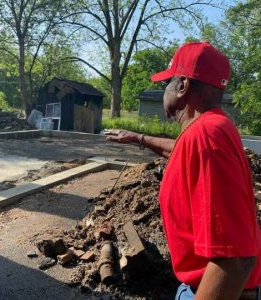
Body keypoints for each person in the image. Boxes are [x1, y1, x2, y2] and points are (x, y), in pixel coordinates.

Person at [105, 41, 261, 300]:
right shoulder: (212, 127)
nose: (163, 89)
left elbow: (234, 260)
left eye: (166, 82)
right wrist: (138, 138)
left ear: (182, 87)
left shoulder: (206, 138)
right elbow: (179, 150)